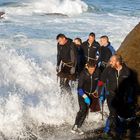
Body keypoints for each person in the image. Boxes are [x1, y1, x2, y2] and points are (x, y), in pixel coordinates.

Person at [98, 54, 136, 138]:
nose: (110, 62)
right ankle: (106, 131)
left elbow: (132, 85)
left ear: (118, 62)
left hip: (123, 97)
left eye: (112, 61)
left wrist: (130, 97)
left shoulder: (127, 71)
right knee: (113, 113)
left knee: (121, 114)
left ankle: (120, 131)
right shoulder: (108, 70)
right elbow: (101, 82)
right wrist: (101, 94)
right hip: (111, 95)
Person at [71, 61, 100, 135]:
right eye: (90, 69)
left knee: (86, 110)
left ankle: (79, 127)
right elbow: (79, 88)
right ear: (87, 67)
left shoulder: (98, 72)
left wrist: (100, 90)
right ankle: (75, 125)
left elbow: (101, 81)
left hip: (92, 94)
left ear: (95, 66)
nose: (91, 71)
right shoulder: (83, 74)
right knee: (82, 109)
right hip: (82, 94)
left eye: (93, 69)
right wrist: (85, 97)